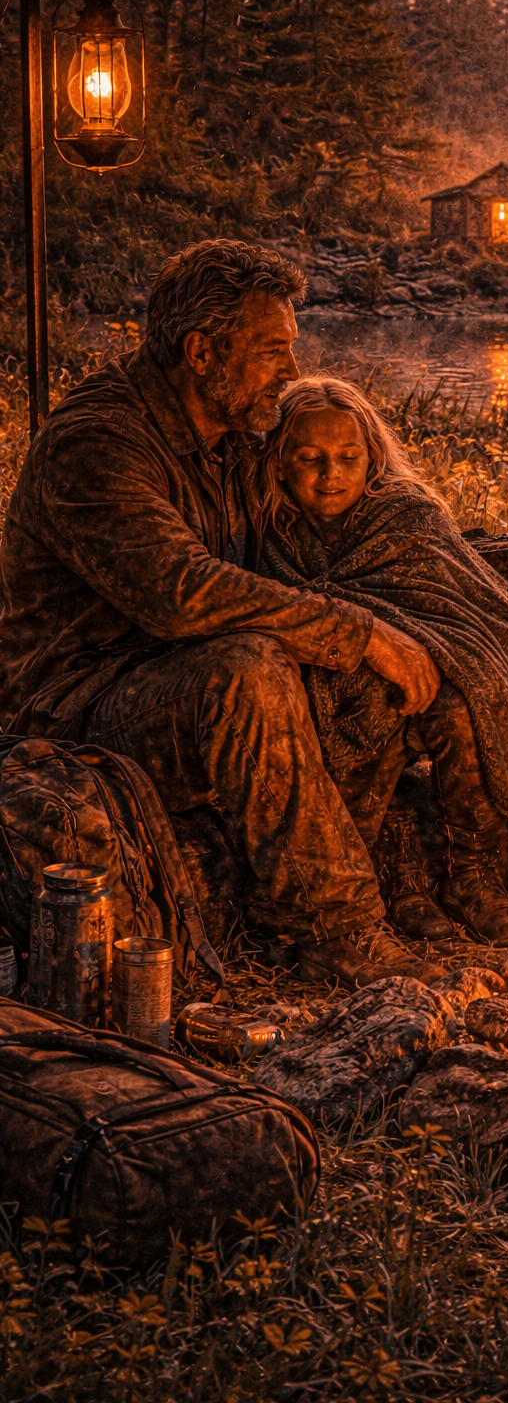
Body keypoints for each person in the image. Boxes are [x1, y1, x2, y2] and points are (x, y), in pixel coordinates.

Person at [0, 238, 460, 989]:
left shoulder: (231, 435)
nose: (290, 371)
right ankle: (337, 931)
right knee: (250, 673)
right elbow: (183, 592)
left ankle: (367, 886)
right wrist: (358, 633)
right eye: (272, 350)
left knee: (335, 651)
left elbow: (319, 515)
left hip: (161, 673)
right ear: (203, 350)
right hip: (74, 708)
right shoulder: (96, 443)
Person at [255, 376, 508, 944]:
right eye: (310, 458)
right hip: (323, 671)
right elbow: (276, 603)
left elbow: (465, 608)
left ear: (372, 456)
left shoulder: (405, 515)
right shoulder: (264, 528)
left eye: (347, 457)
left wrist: (429, 649)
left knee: (463, 705)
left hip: (433, 666)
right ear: (278, 461)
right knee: (370, 707)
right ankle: (383, 884)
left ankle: (471, 876)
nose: (330, 474)